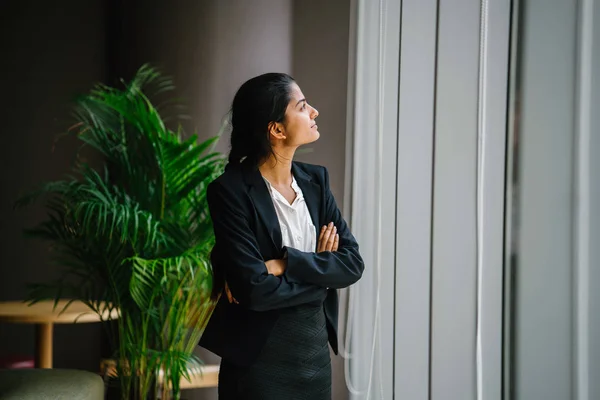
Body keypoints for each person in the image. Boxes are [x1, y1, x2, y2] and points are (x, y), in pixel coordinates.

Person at [199, 72, 364, 399]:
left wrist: (284, 264)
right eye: (302, 107)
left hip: (313, 353)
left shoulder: (316, 182)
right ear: (276, 129)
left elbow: (352, 264)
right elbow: (255, 291)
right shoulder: (229, 192)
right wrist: (319, 275)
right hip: (258, 361)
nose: (314, 112)